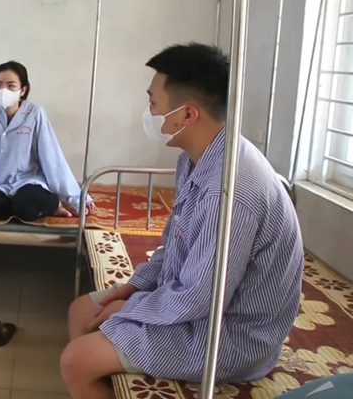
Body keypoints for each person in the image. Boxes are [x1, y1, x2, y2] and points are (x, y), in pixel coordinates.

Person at [61, 43, 303, 399]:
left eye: (153, 103)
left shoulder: (228, 192)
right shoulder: (196, 159)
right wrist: (136, 286)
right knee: (81, 309)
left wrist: (132, 308)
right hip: (199, 303)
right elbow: (175, 241)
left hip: (228, 334)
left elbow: (198, 298)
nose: (149, 112)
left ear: (186, 115)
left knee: (76, 360)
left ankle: (102, 362)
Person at [0, 61, 94, 222]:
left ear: (23, 90)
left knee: (28, 202)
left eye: (11, 86)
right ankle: (26, 208)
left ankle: (52, 205)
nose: (3, 91)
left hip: (29, 181)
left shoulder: (35, 113)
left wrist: (75, 198)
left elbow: (52, 156)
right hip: (0, 184)